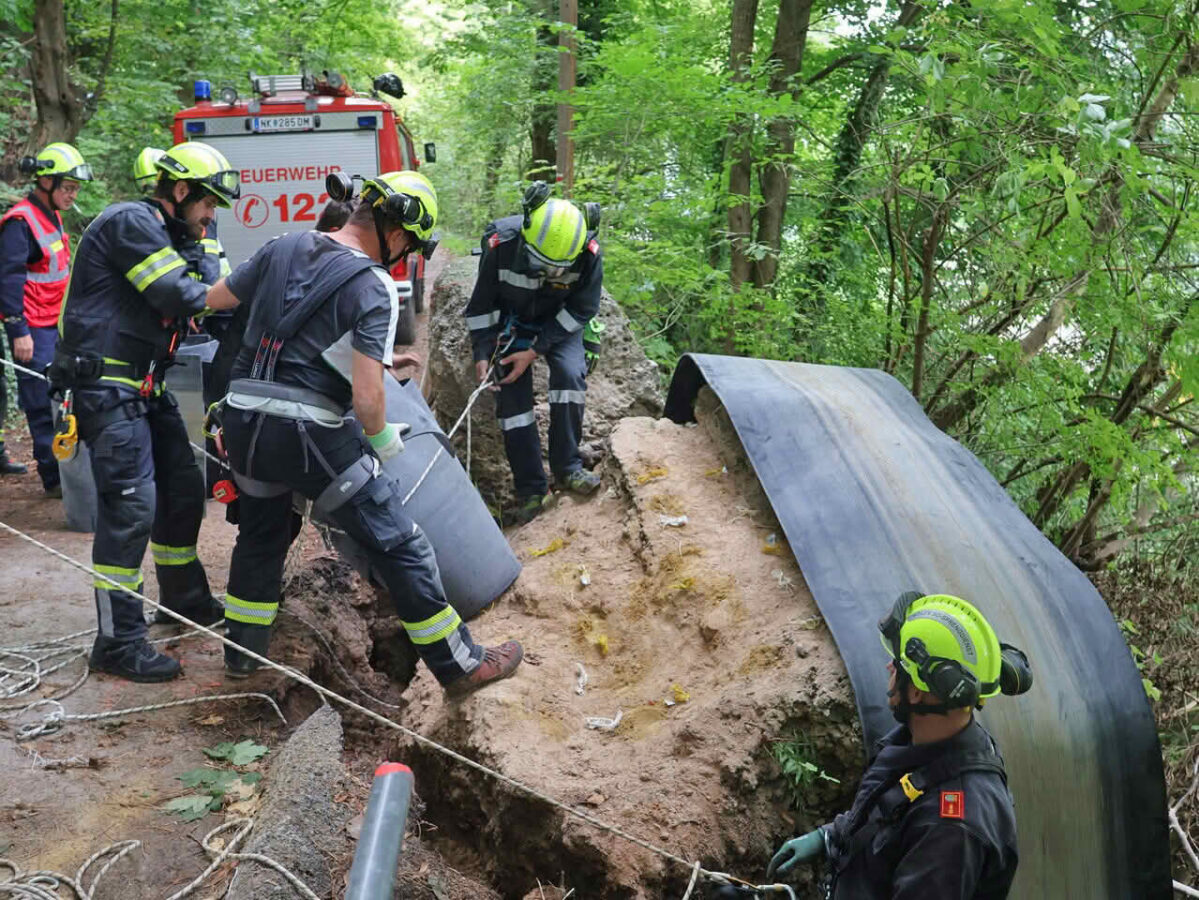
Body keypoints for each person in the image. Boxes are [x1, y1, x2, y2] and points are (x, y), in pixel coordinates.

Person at [205, 169, 523, 696]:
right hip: (308, 437)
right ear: (397, 232)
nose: (404, 254)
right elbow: (368, 399)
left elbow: (218, 298)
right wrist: (382, 442)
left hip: (242, 424)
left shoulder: (282, 244)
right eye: (410, 245)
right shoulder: (373, 283)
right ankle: (460, 665)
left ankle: (242, 653)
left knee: (260, 535)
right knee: (400, 543)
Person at [50, 140, 242, 682]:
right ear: (179, 191)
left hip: (141, 387)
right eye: (207, 204)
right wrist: (248, 285)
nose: (210, 218)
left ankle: (184, 599)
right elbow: (180, 295)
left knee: (182, 487)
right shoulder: (131, 222)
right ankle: (117, 641)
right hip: (106, 389)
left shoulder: (165, 233)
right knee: (131, 508)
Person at [767, 593, 1033, 899]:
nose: (888, 666)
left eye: (899, 664)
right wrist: (829, 836)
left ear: (918, 692)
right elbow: (889, 818)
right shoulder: (928, 744)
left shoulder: (949, 830)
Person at [464, 182, 604, 523]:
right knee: (509, 392)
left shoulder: (587, 254)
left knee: (570, 375)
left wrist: (537, 348)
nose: (546, 274)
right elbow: (482, 304)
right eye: (538, 263)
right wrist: (483, 351)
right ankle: (530, 490)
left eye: (555, 270)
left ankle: (568, 469)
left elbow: (582, 309)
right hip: (513, 322)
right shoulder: (502, 243)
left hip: (560, 324)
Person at [0, 142, 94, 493]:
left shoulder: (50, 214)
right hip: (32, 328)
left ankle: (67, 470)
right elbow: (7, 279)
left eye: (75, 189)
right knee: (41, 401)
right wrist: (18, 329)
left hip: (55, 323)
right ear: (46, 183)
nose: (72, 195)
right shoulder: (20, 222)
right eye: (67, 188)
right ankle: (53, 479)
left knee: (64, 394)